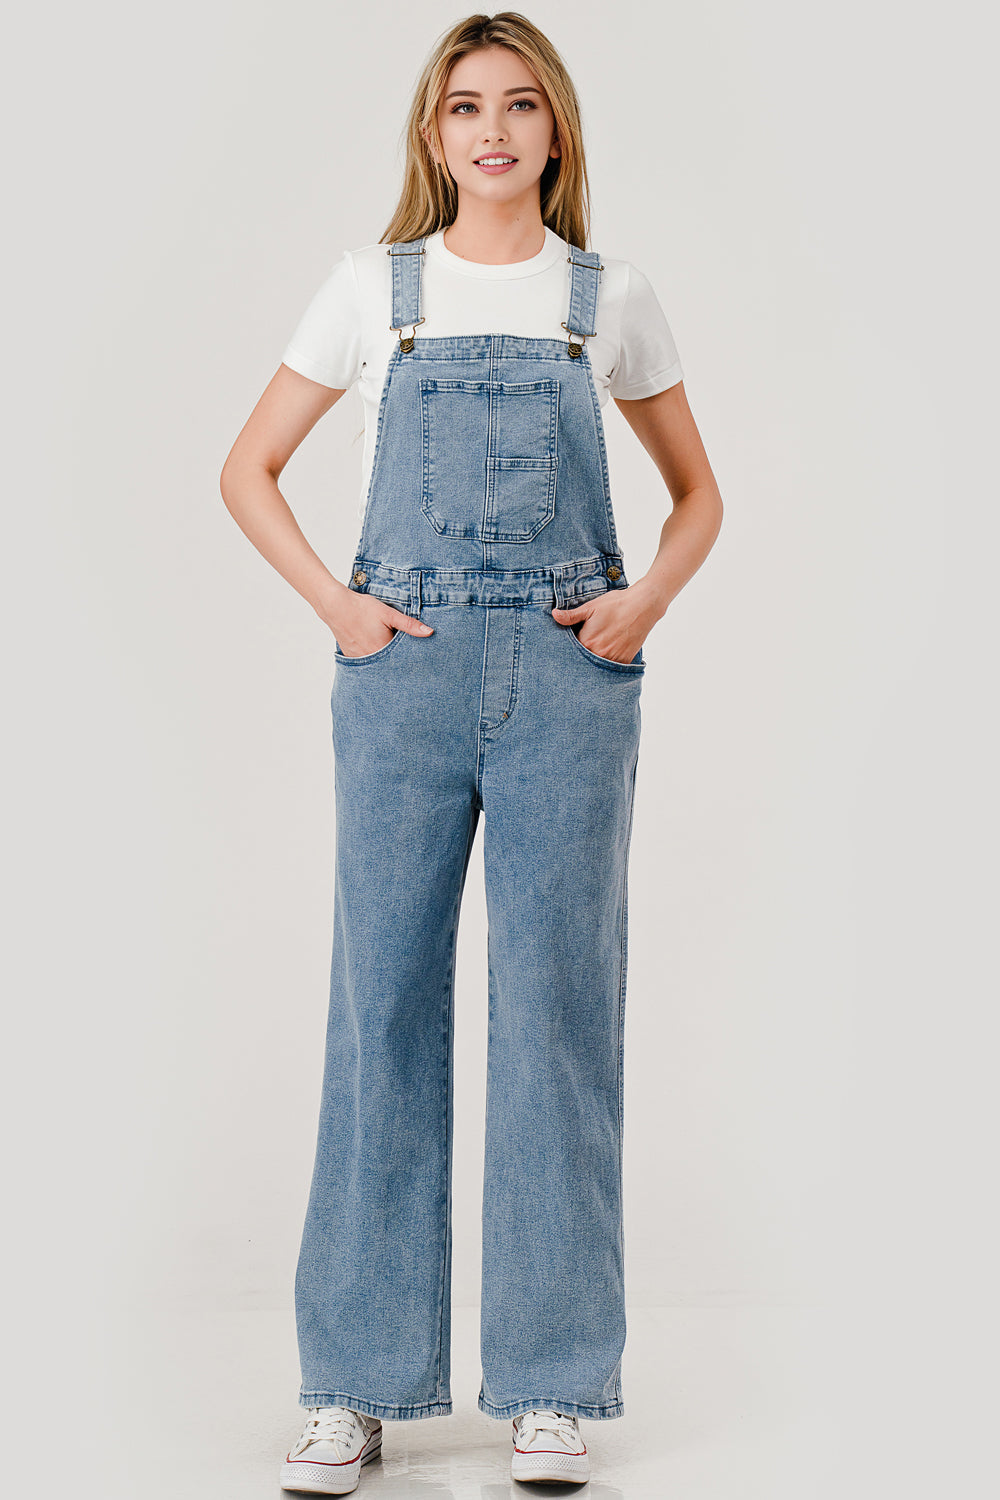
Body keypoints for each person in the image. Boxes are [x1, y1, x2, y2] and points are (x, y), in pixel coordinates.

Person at [221, 11, 722, 1493]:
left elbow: (700, 496)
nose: (491, 130)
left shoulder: (606, 297)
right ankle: (353, 1387)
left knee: (558, 1012)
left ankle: (550, 1387)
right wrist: (340, 607)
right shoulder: (372, 290)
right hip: (404, 675)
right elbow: (246, 469)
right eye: (463, 108)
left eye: (517, 105)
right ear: (432, 137)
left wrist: (642, 603)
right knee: (381, 1005)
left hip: (572, 680)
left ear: (557, 130)